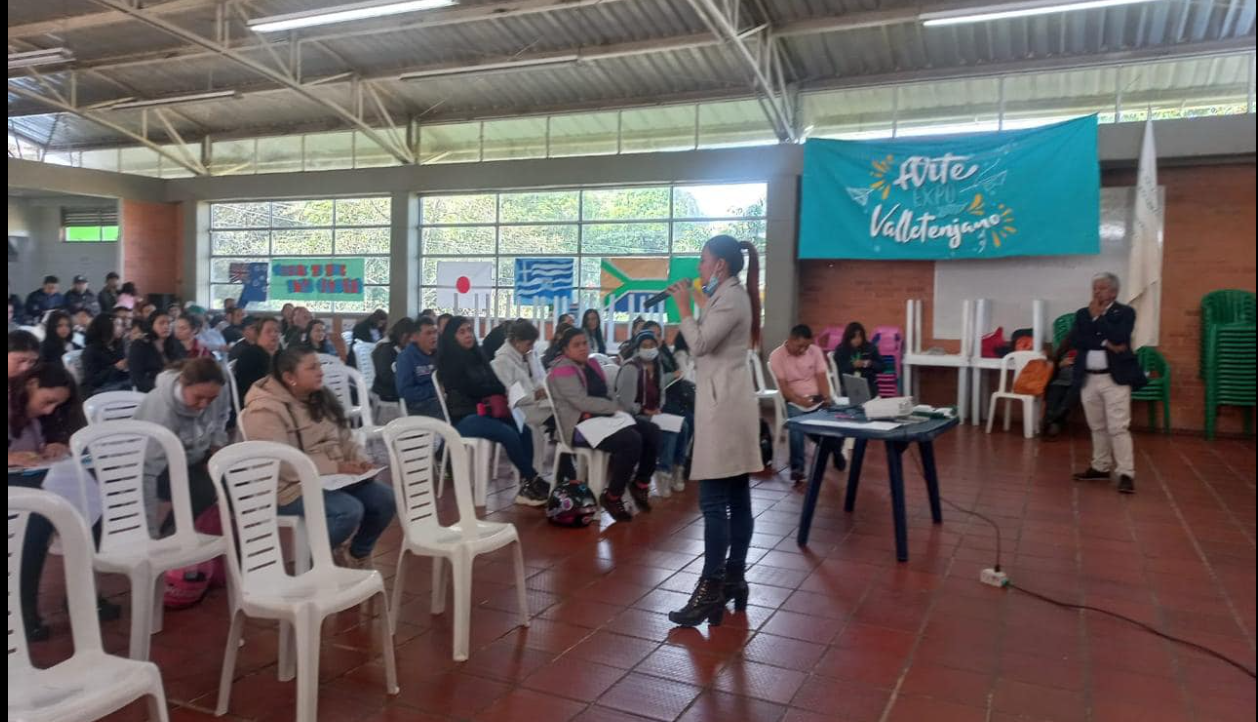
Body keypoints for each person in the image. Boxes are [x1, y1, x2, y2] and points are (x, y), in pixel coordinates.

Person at [664, 235, 762, 627]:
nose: (699, 268)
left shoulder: (733, 298)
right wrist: (699, 301)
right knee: (736, 497)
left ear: (720, 264)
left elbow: (701, 343)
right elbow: (714, 329)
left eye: (703, 261)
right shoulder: (730, 296)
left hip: (724, 410)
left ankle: (711, 586)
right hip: (729, 403)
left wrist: (684, 307)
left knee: (712, 502)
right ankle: (734, 577)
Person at [241, 346, 396, 568]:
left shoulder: (320, 397)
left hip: (330, 479)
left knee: (385, 499)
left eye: (319, 366)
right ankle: (312, 560)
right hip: (287, 487)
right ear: (289, 377)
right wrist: (337, 467)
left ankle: (356, 554)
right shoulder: (265, 409)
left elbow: (345, 437)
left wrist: (359, 459)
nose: (320, 372)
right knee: (348, 511)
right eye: (312, 368)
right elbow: (281, 464)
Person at [8, 363, 100, 640]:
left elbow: (43, 442)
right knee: (35, 525)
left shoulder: (38, 412)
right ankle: (23, 613)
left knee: (92, 500)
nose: (50, 410)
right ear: (31, 384)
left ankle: (83, 594)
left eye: (56, 405)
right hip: (17, 489)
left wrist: (55, 445)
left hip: (30, 480)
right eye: (47, 402)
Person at [436, 316, 550, 506]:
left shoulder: (477, 356)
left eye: (469, 330)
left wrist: (491, 389)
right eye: (462, 332)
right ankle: (532, 479)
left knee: (524, 429)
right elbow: (471, 389)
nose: (468, 335)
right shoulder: (449, 361)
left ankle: (526, 487)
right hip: (464, 417)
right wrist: (491, 389)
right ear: (451, 336)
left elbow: (496, 384)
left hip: (486, 412)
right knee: (507, 434)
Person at [549, 327, 660, 520]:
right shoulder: (561, 368)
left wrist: (616, 407)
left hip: (603, 418)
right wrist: (614, 408)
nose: (583, 348)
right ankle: (612, 496)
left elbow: (609, 391)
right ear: (565, 350)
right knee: (631, 440)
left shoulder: (592, 363)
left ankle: (640, 483)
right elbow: (581, 402)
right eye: (577, 345)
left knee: (652, 431)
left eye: (585, 343)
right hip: (579, 425)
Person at [1068, 273, 1147, 495]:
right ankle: (1100, 467)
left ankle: (1126, 473)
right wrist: (1105, 342)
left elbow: (1120, 337)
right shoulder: (1083, 313)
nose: (1096, 292)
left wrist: (1099, 318)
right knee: (1097, 426)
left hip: (1115, 379)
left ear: (1114, 292)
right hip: (1089, 377)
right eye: (1094, 288)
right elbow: (1078, 339)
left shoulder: (1125, 312)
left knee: (1118, 427)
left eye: (1101, 288)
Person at [133, 358, 229, 535]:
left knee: (231, 484)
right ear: (184, 384)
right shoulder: (162, 411)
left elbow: (221, 416)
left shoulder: (218, 390)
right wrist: (149, 529)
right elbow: (146, 471)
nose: (204, 405)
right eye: (199, 398)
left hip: (193, 456)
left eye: (211, 399)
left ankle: (184, 529)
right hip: (153, 464)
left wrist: (216, 445)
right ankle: (169, 533)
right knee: (203, 491)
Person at [614, 331, 689, 492]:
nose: (649, 349)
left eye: (652, 345)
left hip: (654, 412)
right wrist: (645, 410)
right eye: (644, 346)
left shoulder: (657, 365)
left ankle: (677, 469)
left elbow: (661, 392)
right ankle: (663, 472)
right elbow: (625, 403)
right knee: (669, 430)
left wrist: (658, 409)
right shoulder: (631, 367)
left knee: (684, 426)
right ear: (638, 348)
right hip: (635, 415)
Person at [770, 324, 836, 483]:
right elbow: (783, 387)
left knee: (836, 419)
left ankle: (835, 448)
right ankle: (797, 468)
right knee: (797, 424)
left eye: (806, 347)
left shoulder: (815, 351)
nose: (803, 350)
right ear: (791, 340)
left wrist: (826, 397)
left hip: (816, 398)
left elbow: (822, 377)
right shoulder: (777, 356)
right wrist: (800, 401)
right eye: (800, 346)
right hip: (794, 400)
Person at [489, 320, 549, 429]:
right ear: (517, 341)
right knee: (558, 415)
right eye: (529, 344)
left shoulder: (522, 358)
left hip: (530, 405)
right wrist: (536, 395)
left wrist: (543, 390)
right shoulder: (502, 362)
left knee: (561, 409)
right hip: (519, 412)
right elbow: (512, 396)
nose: (531, 348)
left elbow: (532, 383)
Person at [397, 316, 441, 418]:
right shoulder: (406, 357)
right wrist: (434, 390)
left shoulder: (439, 353)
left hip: (440, 400)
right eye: (428, 333)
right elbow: (404, 391)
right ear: (415, 337)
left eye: (435, 332)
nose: (434, 337)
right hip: (419, 406)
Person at [233, 317, 281, 406]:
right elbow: (256, 386)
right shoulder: (250, 355)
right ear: (258, 335)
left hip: (274, 397)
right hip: (255, 401)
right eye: (268, 331)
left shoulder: (280, 355)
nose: (274, 334)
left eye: (277, 331)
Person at [80, 313, 130, 396]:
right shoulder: (90, 350)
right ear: (105, 327)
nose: (121, 328)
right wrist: (116, 367)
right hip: (98, 390)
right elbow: (92, 381)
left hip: (116, 384)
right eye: (117, 325)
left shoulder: (117, 345)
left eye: (121, 325)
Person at [128, 310, 174, 392]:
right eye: (161, 323)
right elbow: (137, 379)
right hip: (150, 390)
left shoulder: (174, 342)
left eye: (169, 323)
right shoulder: (140, 344)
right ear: (151, 325)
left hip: (171, 387)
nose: (166, 326)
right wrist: (163, 386)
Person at [372, 318, 414, 405]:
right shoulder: (385, 350)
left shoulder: (403, 348)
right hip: (387, 391)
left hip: (399, 387)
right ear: (402, 335)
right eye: (410, 337)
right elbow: (386, 377)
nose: (412, 340)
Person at [833, 322, 885, 391]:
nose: (857, 340)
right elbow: (838, 370)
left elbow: (882, 367)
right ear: (848, 337)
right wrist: (852, 365)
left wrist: (871, 364)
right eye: (854, 337)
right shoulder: (841, 349)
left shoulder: (870, 348)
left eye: (859, 336)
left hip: (868, 384)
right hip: (848, 386)